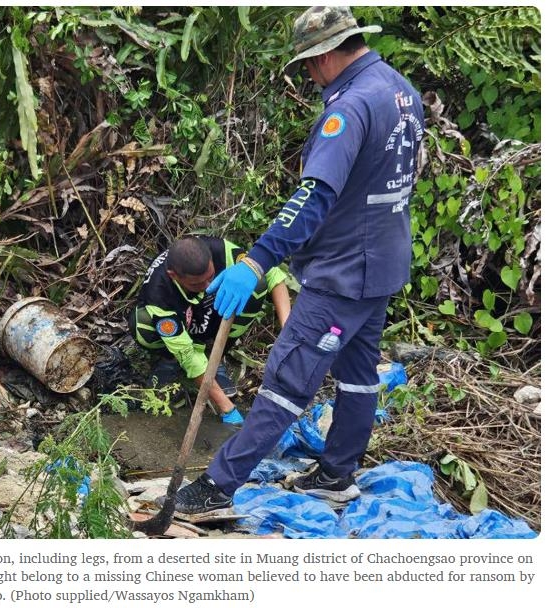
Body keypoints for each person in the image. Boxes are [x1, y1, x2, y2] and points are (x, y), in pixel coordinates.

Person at [159, 6, 425, 512]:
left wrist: (257, 260)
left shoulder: (349, 109)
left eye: (307, 63)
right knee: (358, 375)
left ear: (326, 55)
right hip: (384, 264)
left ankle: (217, 486)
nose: (307, 73)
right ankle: (336, 475)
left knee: (287, 379)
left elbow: (314, 196)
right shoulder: (400, 90)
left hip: (343, 273)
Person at [129, 235, 291, 425]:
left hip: (215, 313)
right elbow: (189, 357)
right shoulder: (158, 293)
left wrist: (289, 330)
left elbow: (271, 274)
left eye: (210, 277)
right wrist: (227, 409)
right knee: (142, 324)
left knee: (258, 280)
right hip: (182, 323)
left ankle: (216, 354)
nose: (207, 287)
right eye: (197, 284)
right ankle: (171, 361)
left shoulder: (219, 249)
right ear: (174, 276)